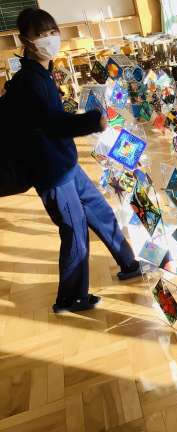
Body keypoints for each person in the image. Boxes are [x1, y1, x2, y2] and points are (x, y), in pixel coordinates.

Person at [6, 8, 142, 313]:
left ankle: (129, 263)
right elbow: (53, 124)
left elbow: (54, 120)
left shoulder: (42, 73)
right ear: (26, 40)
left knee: (100, 211)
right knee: (75, 231)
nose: (50, 38)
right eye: (42, 34)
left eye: (52, 31)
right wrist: (93, 121)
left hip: (65, 163)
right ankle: (70, 298)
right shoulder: (28, 82)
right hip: (51, 173)